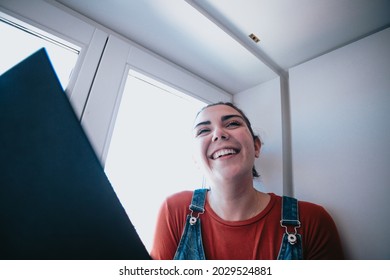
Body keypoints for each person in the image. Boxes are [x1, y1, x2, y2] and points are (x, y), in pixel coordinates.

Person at [151, 102, 344, 260]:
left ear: (256, 146)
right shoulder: (174, 211)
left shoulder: (312, 220)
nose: (219, 133)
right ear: (196, 160)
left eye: (233, 123)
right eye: (203, 131)